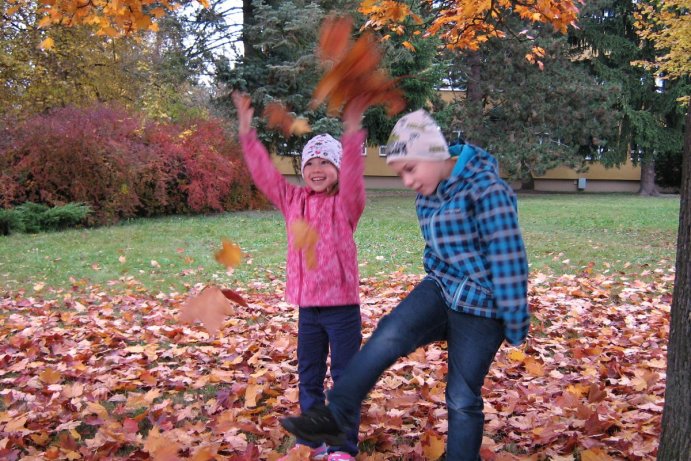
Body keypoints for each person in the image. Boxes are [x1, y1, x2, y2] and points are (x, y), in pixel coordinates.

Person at [280, 109, 530, 461]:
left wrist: (516, 322)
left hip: (483, 304)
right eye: (401, 174)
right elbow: (436, 249)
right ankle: (332, 415)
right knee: (389, 333)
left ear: (434, 154)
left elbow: (509, 261)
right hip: (442, 288)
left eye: (410, 169)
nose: (408, 181)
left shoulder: (488, 191)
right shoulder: (426, 194)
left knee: (461, 395)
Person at [232, 92, 366, 461]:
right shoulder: (293, 201)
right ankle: (314, 440)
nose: (317, 168)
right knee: (308, 377)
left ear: (337, 169)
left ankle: (342, 448)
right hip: (308, 309)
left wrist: (352, 132)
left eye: (326, 162)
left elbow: (355, 177)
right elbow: (264, 174)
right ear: (302, 169)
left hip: (341, 309)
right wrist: (247, 132)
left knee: (344, 379)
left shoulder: (346, 204)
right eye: (311, 162)